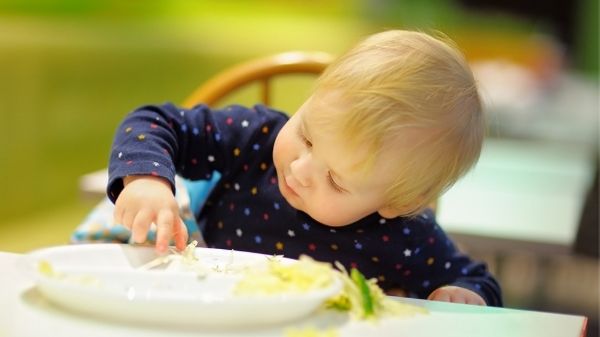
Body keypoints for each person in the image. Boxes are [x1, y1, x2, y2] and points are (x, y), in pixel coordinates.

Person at [107, 30, 502, 306]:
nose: (301, 167)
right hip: (203, 304)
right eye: (308, 136)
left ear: (396, 202)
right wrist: (147, 179)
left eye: (335, 179)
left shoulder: (403, 234)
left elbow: (476, 281)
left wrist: (463, 295)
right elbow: (156, 122)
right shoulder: (256, 138)